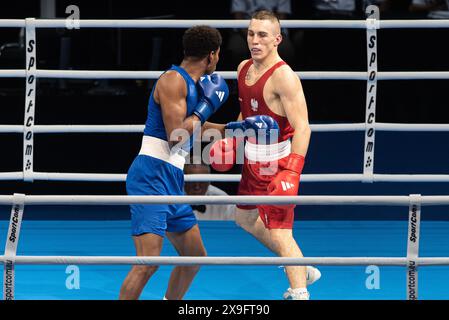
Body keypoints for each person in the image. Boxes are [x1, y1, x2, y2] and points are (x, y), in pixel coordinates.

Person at [209, 10, 320, 300]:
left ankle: (299, 292)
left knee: (281, 232)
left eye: (262, 35)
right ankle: (301, 265)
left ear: (277, 40)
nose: (254, 41)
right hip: (252, 161)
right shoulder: (243, 67)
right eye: (251, 34)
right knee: (244, 219)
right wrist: (233, 139)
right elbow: (247, 111)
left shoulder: (284, 77)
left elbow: (303, 128)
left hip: (278, 162)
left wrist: (292, 172)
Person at [119, 25, 229, 300]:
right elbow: (176, 136)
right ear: (212, 55)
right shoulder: (173, 81)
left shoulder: (192, 86)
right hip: (151, 176)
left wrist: (238, 128)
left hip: (171, 178)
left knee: (194, 257)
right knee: (148, 263)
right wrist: (204, 109)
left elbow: (196, 129)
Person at [226, 0, 296, 69]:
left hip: (272, 30)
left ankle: (279, 78)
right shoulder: (241, 66)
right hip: (244, 30)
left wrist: (266, 35)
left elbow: (281, 16)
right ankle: (235, 80)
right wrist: (252, 35)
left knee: (286, 49)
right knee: (236, 48)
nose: (255, 41)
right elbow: (238, 17)